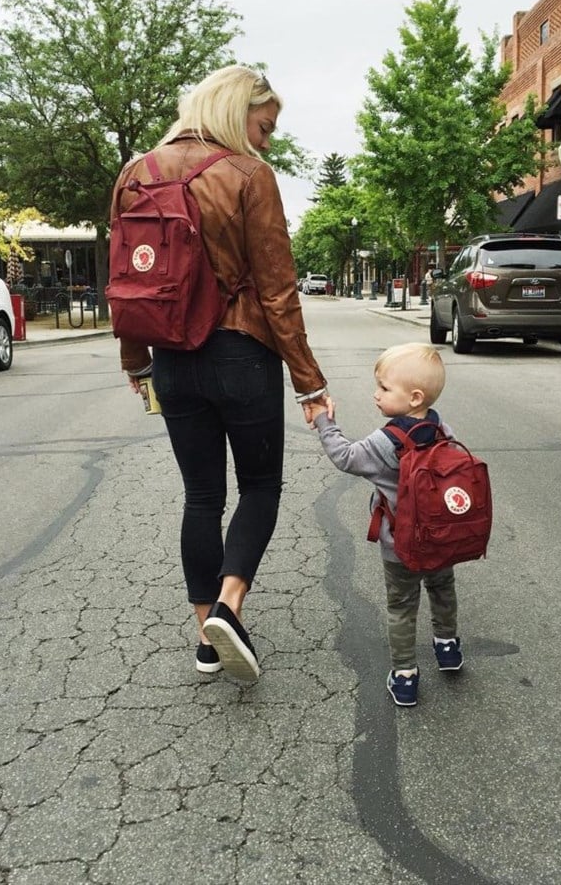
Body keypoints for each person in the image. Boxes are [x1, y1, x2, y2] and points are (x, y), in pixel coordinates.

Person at [113, 66, 328, 683]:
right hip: (241, 356)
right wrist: (308, 381)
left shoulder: (136, 172)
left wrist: (135, 360)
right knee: (260, 488)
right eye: (264, 127)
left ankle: (207, 638)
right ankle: (229, 608)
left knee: (202, 497)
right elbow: (278, 289)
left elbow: (130, 277)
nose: (266, 142)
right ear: (239, 113)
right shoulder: (249, 176)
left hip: (173, 360)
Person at [306, 342, 462, 707]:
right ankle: (448, 648)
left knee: (402, 606)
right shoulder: (442, 428)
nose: (375, 395)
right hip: (442, 539)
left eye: (384, 388)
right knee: (443, 591)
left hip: (401, 545)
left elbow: (345, 457)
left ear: (413, 397)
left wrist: (325, 422)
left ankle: (405, 676)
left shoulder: (386, 440)